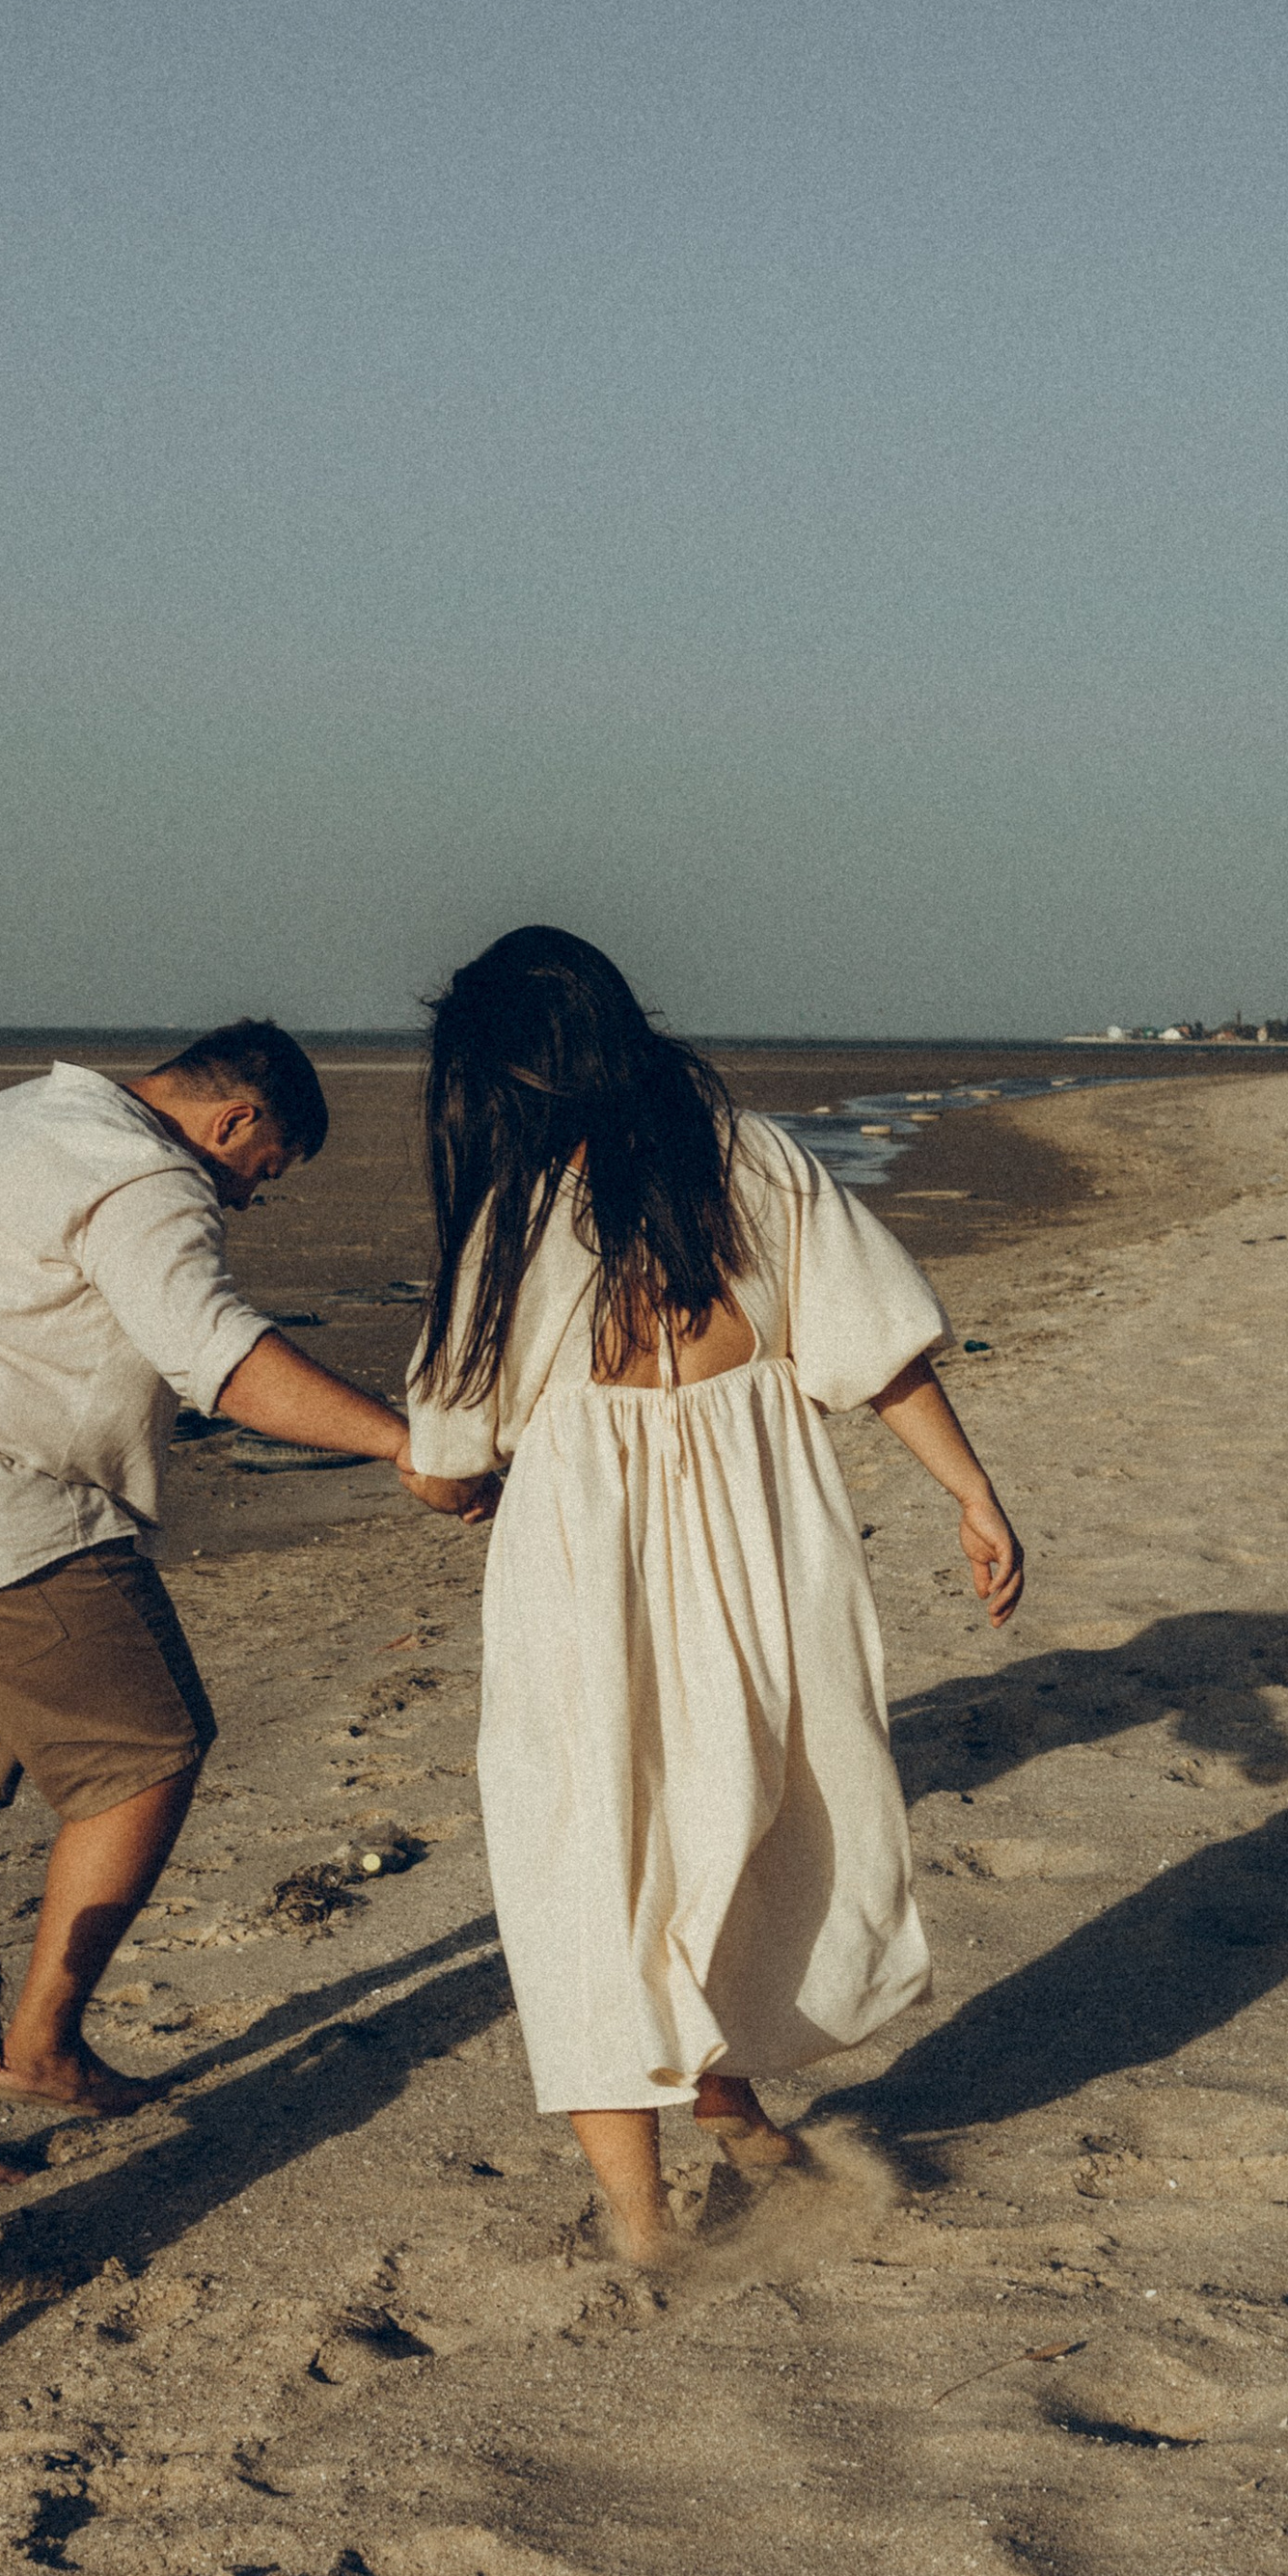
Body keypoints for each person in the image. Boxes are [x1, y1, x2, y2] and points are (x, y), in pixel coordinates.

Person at [393, 928, 1023, 2261]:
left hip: (586, 1562)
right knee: (742, 1814)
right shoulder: (754, 1161)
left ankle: (641, 2218)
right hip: (763, 1535)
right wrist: (971, 1493)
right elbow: (875, 1348)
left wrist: (457, 1485)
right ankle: (733, 2111)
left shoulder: (514, 1218)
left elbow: (447, 1451)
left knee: (584, 1846)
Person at [0, 1023, 454, 2118]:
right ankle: (40, 2049)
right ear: (233, 1120)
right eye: (260, 1173)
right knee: (148, 1760)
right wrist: (404, 1443)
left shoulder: (3, 1118)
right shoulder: (142, 1173)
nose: (246, 1199)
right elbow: (219, 1356)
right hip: (3, 1523)